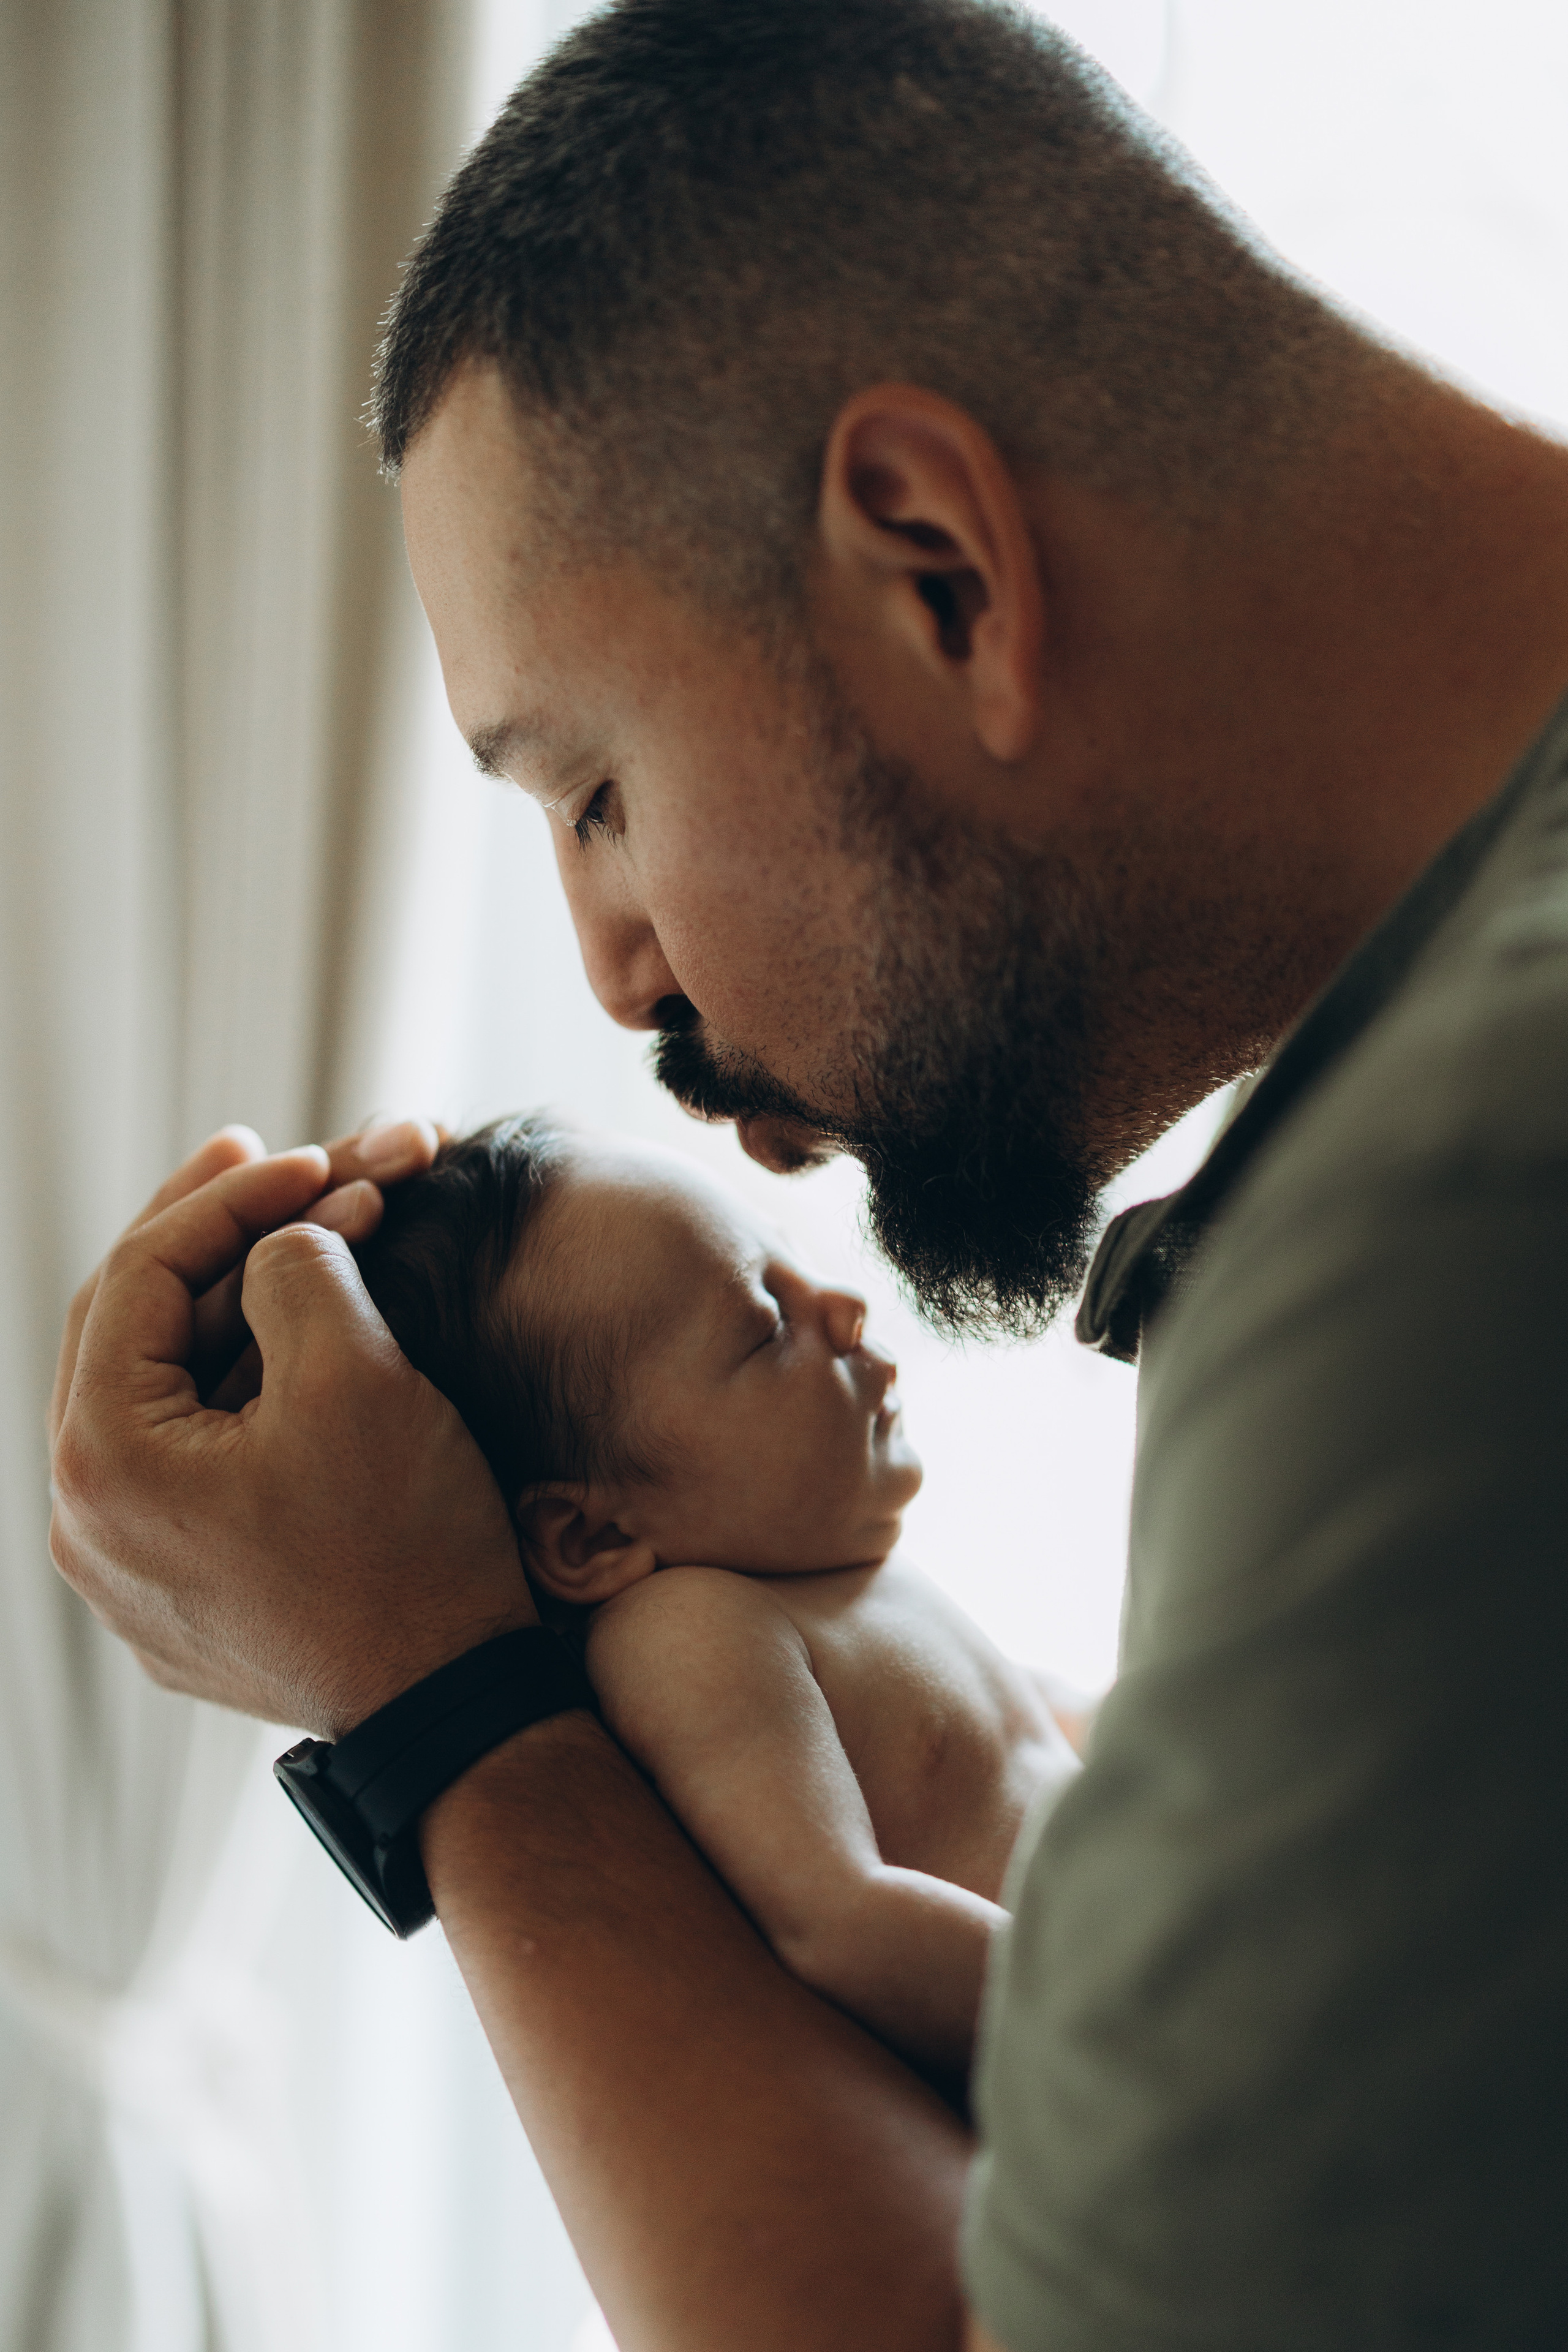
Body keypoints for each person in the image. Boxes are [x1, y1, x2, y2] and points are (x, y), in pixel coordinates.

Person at [46, 2, 1568, 2346]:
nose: (617, 977)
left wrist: (434, 1700)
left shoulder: (1447, 1245)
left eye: (592, 793)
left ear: (933, 566)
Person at [352, 1113, 1081, 2086]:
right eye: (766, 1324)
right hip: (1115, 2040)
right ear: (594, 1535)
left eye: (791, 1261)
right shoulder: (692, 1631)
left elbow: (1028, 1747)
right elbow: (836, 1918)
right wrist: (1124, 2015)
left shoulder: (835, 1580)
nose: (844, 1305)